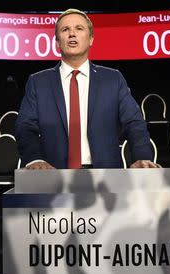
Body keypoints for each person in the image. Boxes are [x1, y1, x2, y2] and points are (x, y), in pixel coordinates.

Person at [15, 9, 155, 170]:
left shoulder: (113, 79)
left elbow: (134, 122)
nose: (72, 34)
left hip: (106, 178)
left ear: (91, 39)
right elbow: (25, 126)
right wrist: (34, 159)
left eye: (79, 28)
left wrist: (142, 157)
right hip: (53, 177)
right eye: (65, 29)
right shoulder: (38, 82)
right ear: (57, 42)